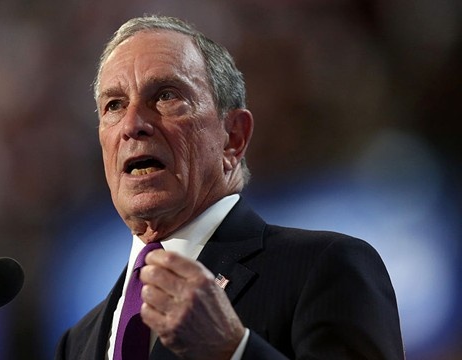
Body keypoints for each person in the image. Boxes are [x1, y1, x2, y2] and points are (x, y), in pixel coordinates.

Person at [55, 15, 404, 360]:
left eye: (165, 96)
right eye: (114, 105)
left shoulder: (326, 268)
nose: (133, 124)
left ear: (233, 137)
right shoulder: (78, 342)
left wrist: (232, 351)